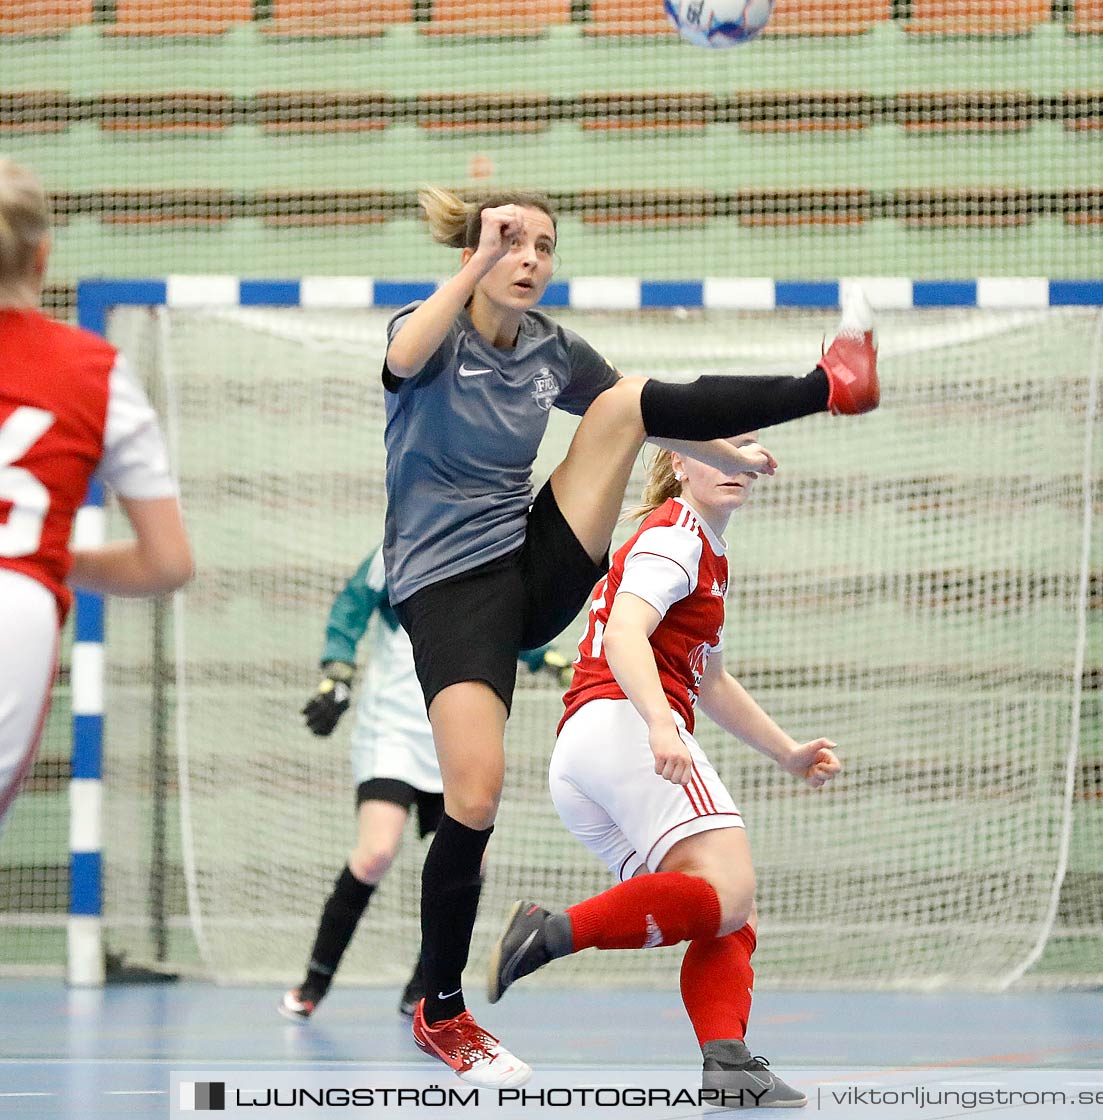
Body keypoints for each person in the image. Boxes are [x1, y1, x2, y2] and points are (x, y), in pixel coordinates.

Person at [387, 187, 876, 1086]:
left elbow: (653, 407)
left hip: (531, 564)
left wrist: (730, 457)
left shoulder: (550, 351)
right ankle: (439, 1009)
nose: (529, 258)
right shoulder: (429, 333)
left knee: (618, 403)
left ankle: (830, 386)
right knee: (476, 796)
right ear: (473, 251)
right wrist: (472, 262)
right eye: (509, 242)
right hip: (449, 589)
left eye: (542, 244)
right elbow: (405, 351)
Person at [485, 438, 839, 1108]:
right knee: (729, 889)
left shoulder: (700, 546)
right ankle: (551, 930)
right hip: (623, 727)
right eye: (716, 452)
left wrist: (786, 751)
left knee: (724, 909)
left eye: (744, 455)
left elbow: (708, 678)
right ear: (678, 461)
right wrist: (656, 722)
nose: (731, 466)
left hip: (587, 749)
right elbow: (623, 635)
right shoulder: (675, 536)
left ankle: (728, 1065)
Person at [278, 545, 574, 1023]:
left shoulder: (485, 548)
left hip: (454, 734)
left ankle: (425, 987)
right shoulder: (395, 551)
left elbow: (506, 621)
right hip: (390, 734)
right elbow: (350, 608)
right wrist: (337, 673)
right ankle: (315, 980)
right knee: (375, 852)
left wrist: (550, 659)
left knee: (469, 861)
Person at [0, 159, 193, 829]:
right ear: (42, 255)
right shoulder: (94, 369)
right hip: (18, 605)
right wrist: (49, 556)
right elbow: (167, 562)